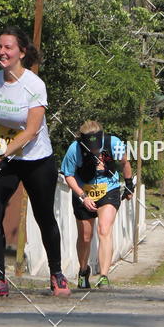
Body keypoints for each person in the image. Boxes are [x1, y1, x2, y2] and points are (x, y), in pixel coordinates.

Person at [0, 26, 71, 298]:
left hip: (36, 159)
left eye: (8, 47)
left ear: (22, 52)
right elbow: (1, 123)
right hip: (6, 158)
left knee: (44, 217)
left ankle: (57, 275)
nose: (2, 52)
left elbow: (30, 132)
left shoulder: (35, 85)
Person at [61, 120, 134, 289]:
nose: (94, 150)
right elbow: (68, 175)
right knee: (86, 236)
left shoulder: (113, 143)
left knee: (104, 230)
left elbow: (124, 163)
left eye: (97, 147)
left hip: (109, 189)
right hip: (83, 191)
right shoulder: (75, 149)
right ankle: (83, 270)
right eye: (90, 147)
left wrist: (129, 185)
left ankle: (103, 276)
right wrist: (83, 196)